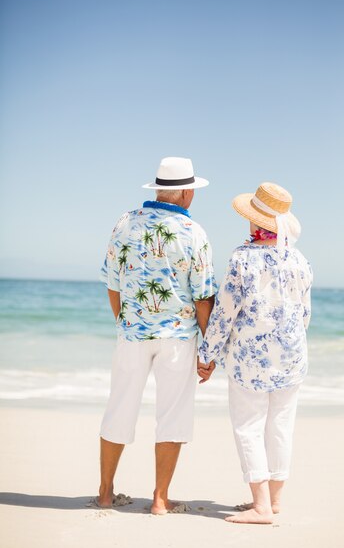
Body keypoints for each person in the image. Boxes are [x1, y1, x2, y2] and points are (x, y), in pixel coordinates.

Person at [97, 157, 217, 514]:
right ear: (182, 193)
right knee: (173, 414)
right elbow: (203, 296)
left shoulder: (126, 222)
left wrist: (124, 323)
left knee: (119, 407)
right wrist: (207, 351)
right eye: (192, 191)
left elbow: (112, 282)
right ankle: (160, 500)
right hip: (178, 338)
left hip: (132, 334)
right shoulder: (194, 233)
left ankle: (105, 493)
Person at [198, 182, 312, 524]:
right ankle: (274, 500)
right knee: (281, 425)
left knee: (248, 426)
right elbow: (305, 314)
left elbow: (224, 313)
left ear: (255, 221)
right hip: (292, 358)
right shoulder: (300, 260)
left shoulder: (243, 258)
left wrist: (207, 355)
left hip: (250, 360)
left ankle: (261, 506)